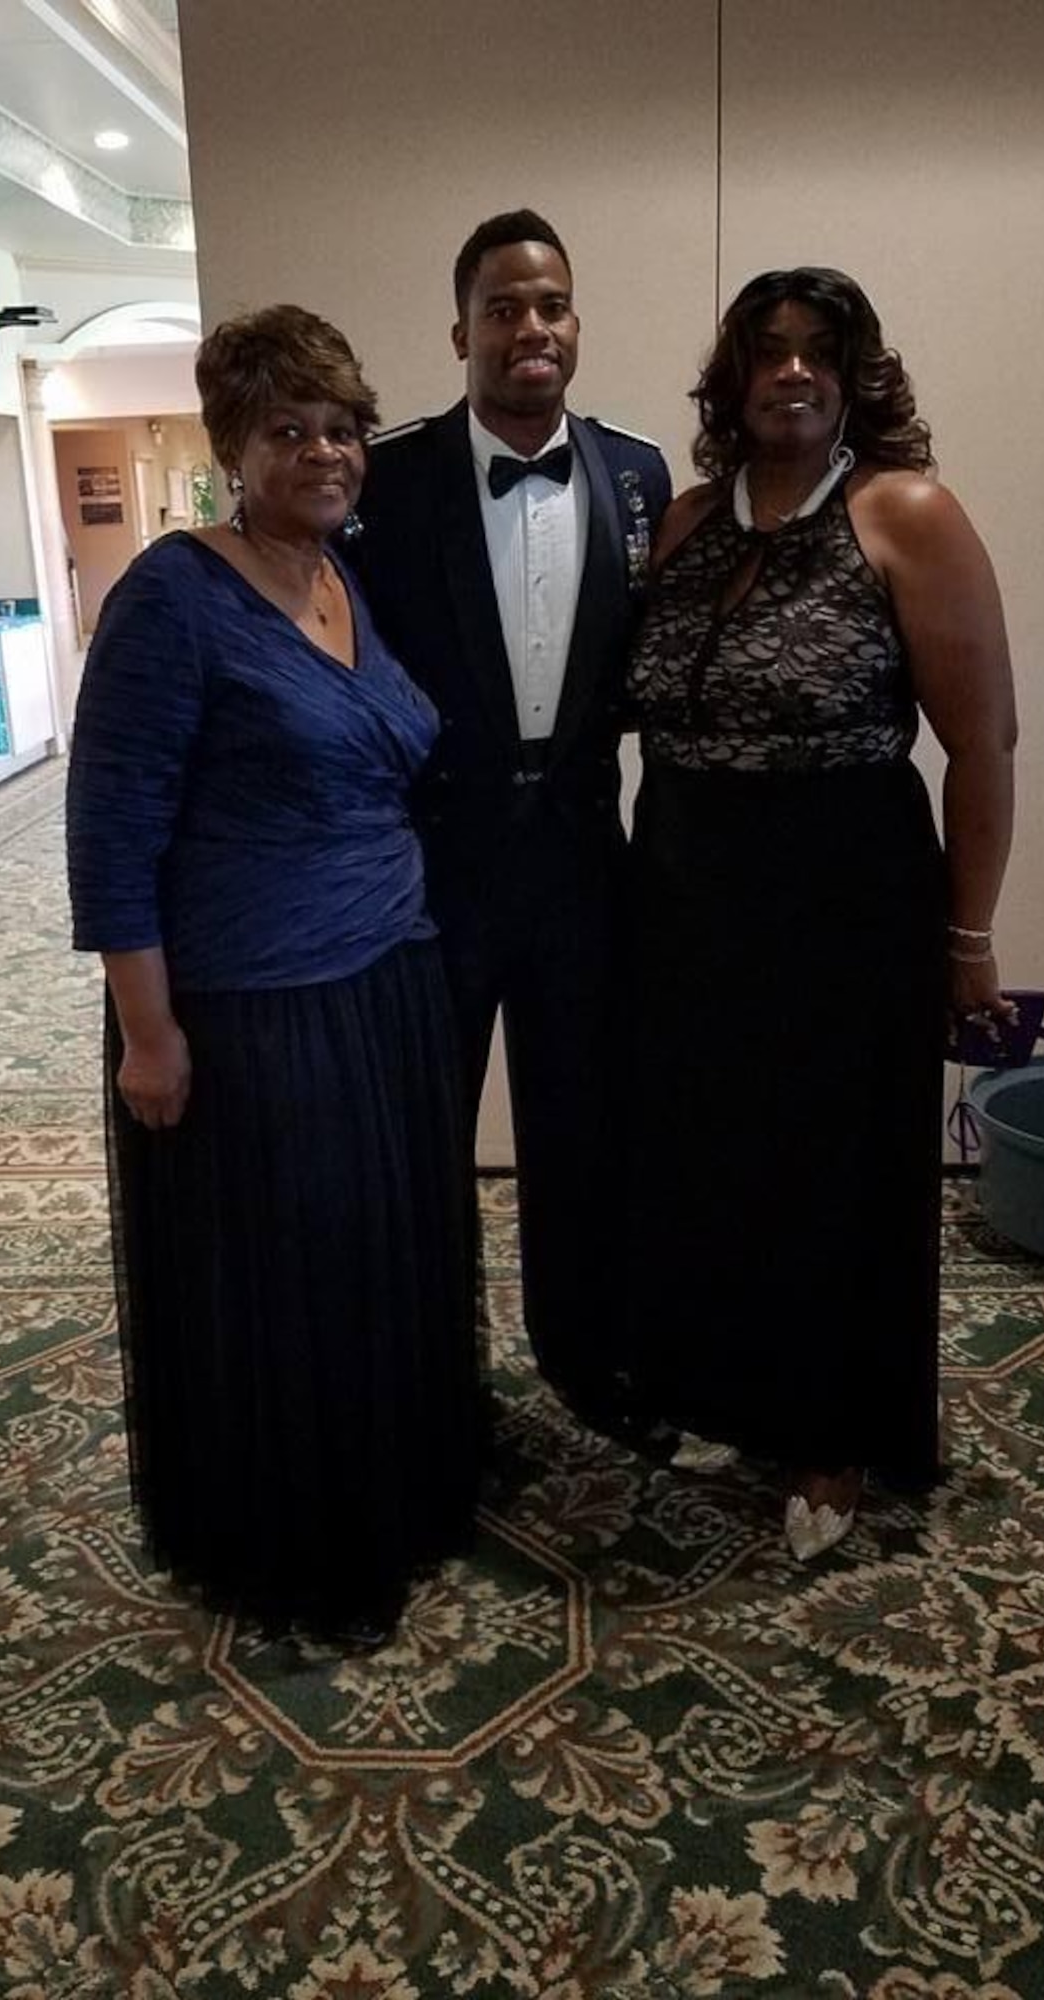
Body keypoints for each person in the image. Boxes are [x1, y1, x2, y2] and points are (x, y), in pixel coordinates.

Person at [65, 305, 479, 1647]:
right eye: (288, 430)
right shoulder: (175, 595)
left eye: (342, 428)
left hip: (387, 984)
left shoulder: (343, 575)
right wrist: (148, 1035)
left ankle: (399, 1486)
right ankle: (300, 1543)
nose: (325, 451)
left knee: (381, 1259)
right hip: (256, 1009)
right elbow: (111, 829)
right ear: (234, 448)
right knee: (289, 1283)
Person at [623, 267, 1017, 1560]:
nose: (791, 371)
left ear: (855, 374)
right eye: (767, 351)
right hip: (688, 894)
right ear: (732, 378)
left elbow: (987, 742)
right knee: (714, 1158)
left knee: (840, 1176)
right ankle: (738, 1391)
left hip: (846, 896)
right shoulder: (684, 526)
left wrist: (970, 937)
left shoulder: (904, 511)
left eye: (818, 351)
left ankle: (839, 1439)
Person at [353, 209, 672, 1437]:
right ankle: (431, 1381)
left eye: (551, 305)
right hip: (436, 864)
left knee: (583, 1131)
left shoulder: (637, 472)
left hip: (588, 864)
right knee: (423, 1135)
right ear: (460, 332)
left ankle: (588, 1362)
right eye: (503, 308)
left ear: (575, 323)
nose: (530, 328)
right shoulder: (385, 473)